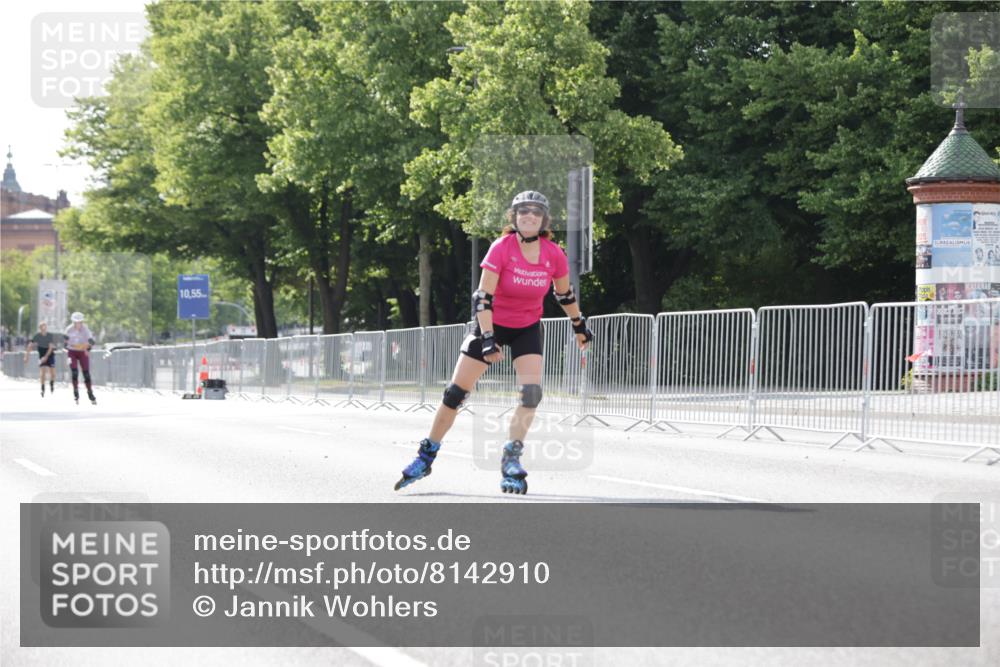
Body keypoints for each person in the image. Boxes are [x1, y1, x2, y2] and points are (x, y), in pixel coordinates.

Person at [394, 191, 593, 495]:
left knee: (531, 394)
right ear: (513, 217)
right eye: (523, 211)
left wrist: (580, 326)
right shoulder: (502, 248)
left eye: (535, 212)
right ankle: (426, 456)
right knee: (454, 394)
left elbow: (564, 295)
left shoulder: (554, 253)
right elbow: (482, 298)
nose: (529, 216)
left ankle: (511, 457)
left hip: (526, 327)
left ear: (543, 220)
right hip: (491, 324)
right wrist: (487, 339)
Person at [64, 312, 97, 405]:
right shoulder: (69, 329)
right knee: (75, 372)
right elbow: (65, 343)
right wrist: (67, 345)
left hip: (82, 352)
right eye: (76, 322)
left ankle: (90, 392)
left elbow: (91, 340)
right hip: (72, 352)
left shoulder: (85, 329)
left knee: (86, 373)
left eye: (80, 322)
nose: (78, 324)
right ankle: (75, 391)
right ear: (73, 322)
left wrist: (88, 347)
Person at [24, 322, 58, 397]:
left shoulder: (50, 335)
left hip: (50, 355)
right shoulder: (37, 336)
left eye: (45, 327)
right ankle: (42, 388)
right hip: (42, 356)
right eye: (42, 327)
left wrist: (46, 357)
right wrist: (26, 356)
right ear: (40, 328)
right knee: (42, 372)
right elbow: (30, 345)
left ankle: (51, 383)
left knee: (53, 374)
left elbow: (51, 347)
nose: (44, 329)